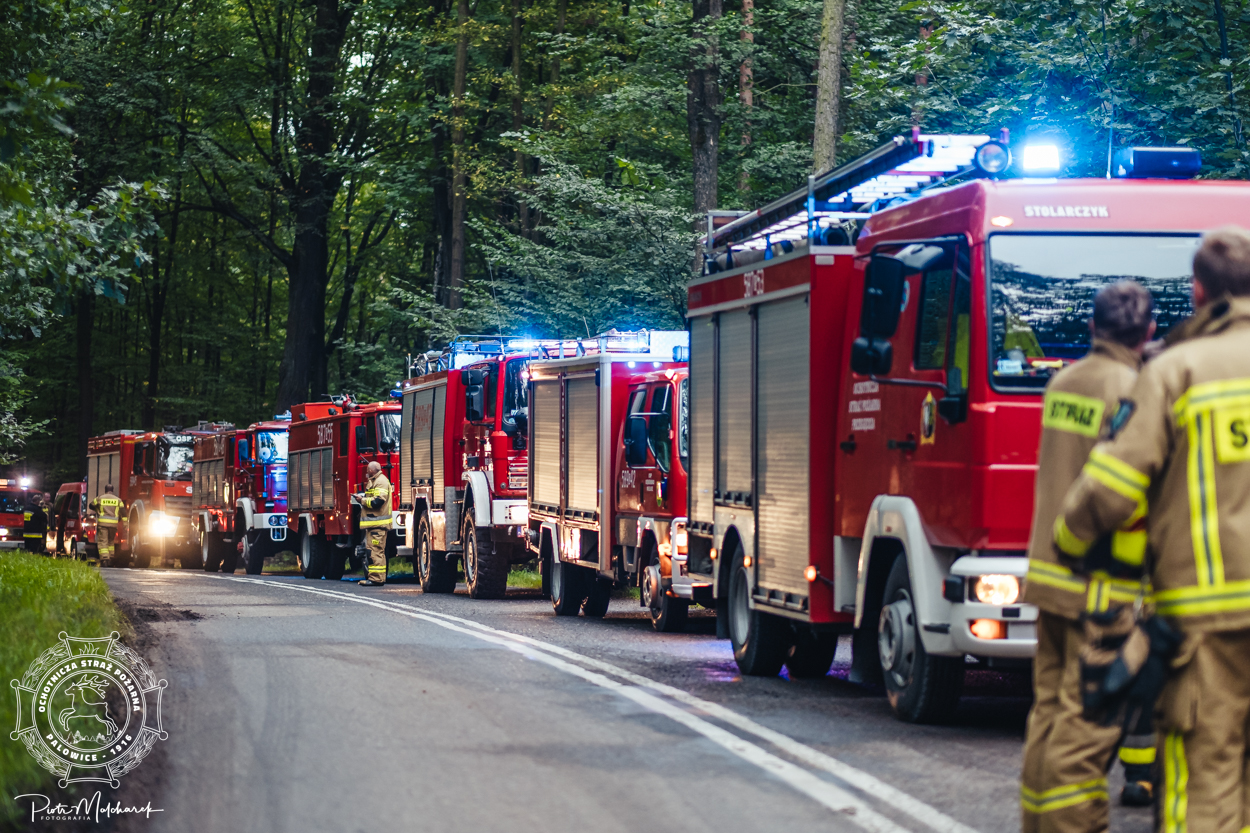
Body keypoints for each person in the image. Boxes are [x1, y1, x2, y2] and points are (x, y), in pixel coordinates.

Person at [1054, 226, 1250, 831]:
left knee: (1206, 773)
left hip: (1208, 617)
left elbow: (1112, 486)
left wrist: (1070, 541)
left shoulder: (1176, 370)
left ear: (1199, 291)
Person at [1020, 280, 1157, 833]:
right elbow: (1116, 492)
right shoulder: (1132, 390)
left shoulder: (1063, 382)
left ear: (1093, 326)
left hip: (1049, 577)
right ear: (1149, 331)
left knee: (1048, 714)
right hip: (1096, 586)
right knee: (1086, 729)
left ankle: (1038, 823)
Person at [355, 461, 391, 587]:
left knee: (375, 552)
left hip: (378, 525)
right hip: (375, 525)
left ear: (371, 470)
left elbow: (378, 502)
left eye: (367, 470)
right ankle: (377, 578)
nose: (366, 472)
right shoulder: (376, 480)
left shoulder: (380, 481)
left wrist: (362, 500)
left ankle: (376, 579)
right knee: (374, 551)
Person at [89, 484, 124, 566]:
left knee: (103, 541)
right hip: (113, 525)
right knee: (110, 541)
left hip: (103, 524)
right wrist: (123, 522)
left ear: (105, 490)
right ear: (112, 490)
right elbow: (123, 511)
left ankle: (105, 559)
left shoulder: (100, 498)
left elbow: (91, 505)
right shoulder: (118, 500)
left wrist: (97, 509)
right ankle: (111, 557)